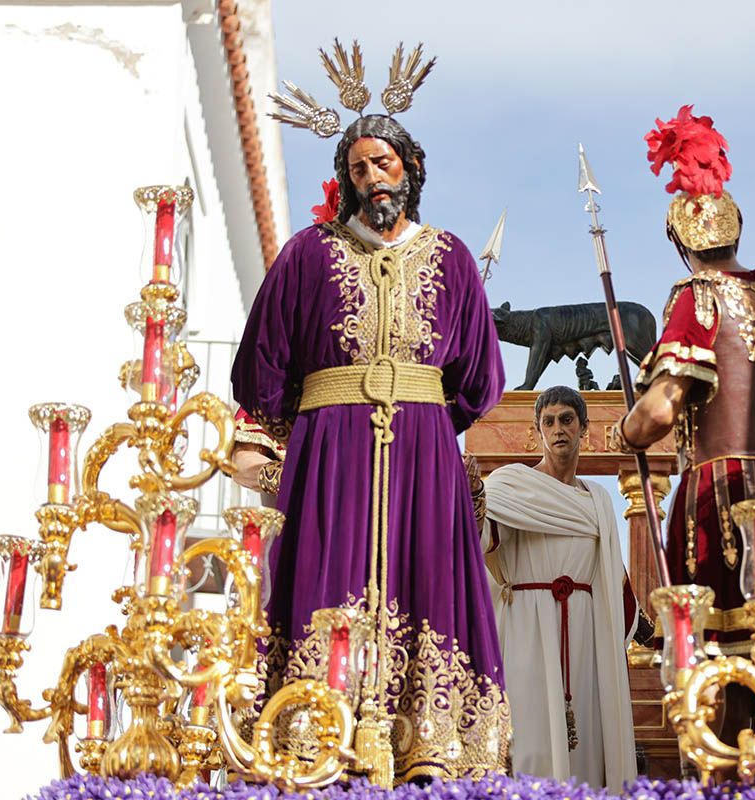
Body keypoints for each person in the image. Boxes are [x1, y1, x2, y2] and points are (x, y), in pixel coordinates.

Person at [230, 45, 509, 783]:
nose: (372, 179)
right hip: (330, 452)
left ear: (409, 169)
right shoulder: (305, 255)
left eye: (383, 164)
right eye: (357, 169)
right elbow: (262, 361)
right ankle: (319, 734)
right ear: (344, 181)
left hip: (421, 452)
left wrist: (424, 419)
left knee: (428, 581)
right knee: (325, 576)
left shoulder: (451, 260)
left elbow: (480, 377)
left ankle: (433, 747)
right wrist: (276, 442)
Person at [612, 106, 755, 648]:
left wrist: (626, 432)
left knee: (721, 659)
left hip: (719, 496)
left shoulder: (699, 296)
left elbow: (661, 410)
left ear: (681, 243)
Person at [473, 386, 641, 788]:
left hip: (585, 637)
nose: (558, 428)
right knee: (528, 739)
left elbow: (611, 576)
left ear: (584, 428)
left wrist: (647, 627)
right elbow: (479, 542)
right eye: (548, 422)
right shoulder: (510, 485)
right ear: (537, 431)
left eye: (567, 419)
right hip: (526, 631)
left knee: (584, 744)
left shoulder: (598, 500)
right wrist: (475, 500)